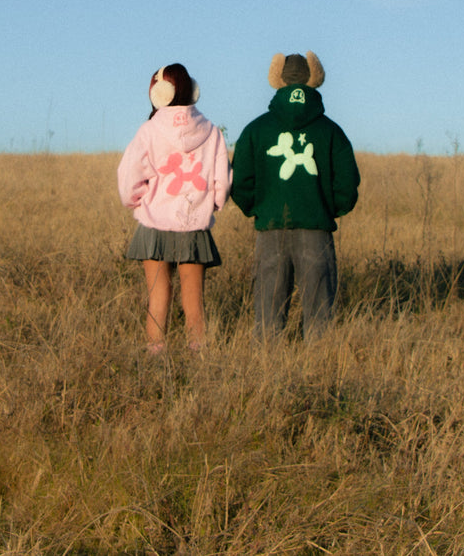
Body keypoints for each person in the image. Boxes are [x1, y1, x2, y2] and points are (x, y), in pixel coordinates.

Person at [231, 51, 360, 338]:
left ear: (277, 79)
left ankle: (266, 365)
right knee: (320, 312)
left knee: (268, 308)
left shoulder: (255, 129)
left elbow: (239, 180)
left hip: (271, 226)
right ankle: (319, 364)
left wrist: (258, 207)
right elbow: (348, 183)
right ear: (315, 78)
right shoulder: (332, 131)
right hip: (317, 228)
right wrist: (328, 208)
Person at [117, 63, 230, 353]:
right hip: (195, 226)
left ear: (159, 93)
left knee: (157, 296)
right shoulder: (212, 131)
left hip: (154, 224)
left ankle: (155, 354)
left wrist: (137, 202)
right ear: (192, 90)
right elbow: (222, 180)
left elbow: (130, 175)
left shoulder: (148, 131)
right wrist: (212, 204)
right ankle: (199, 354)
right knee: (194, 299)